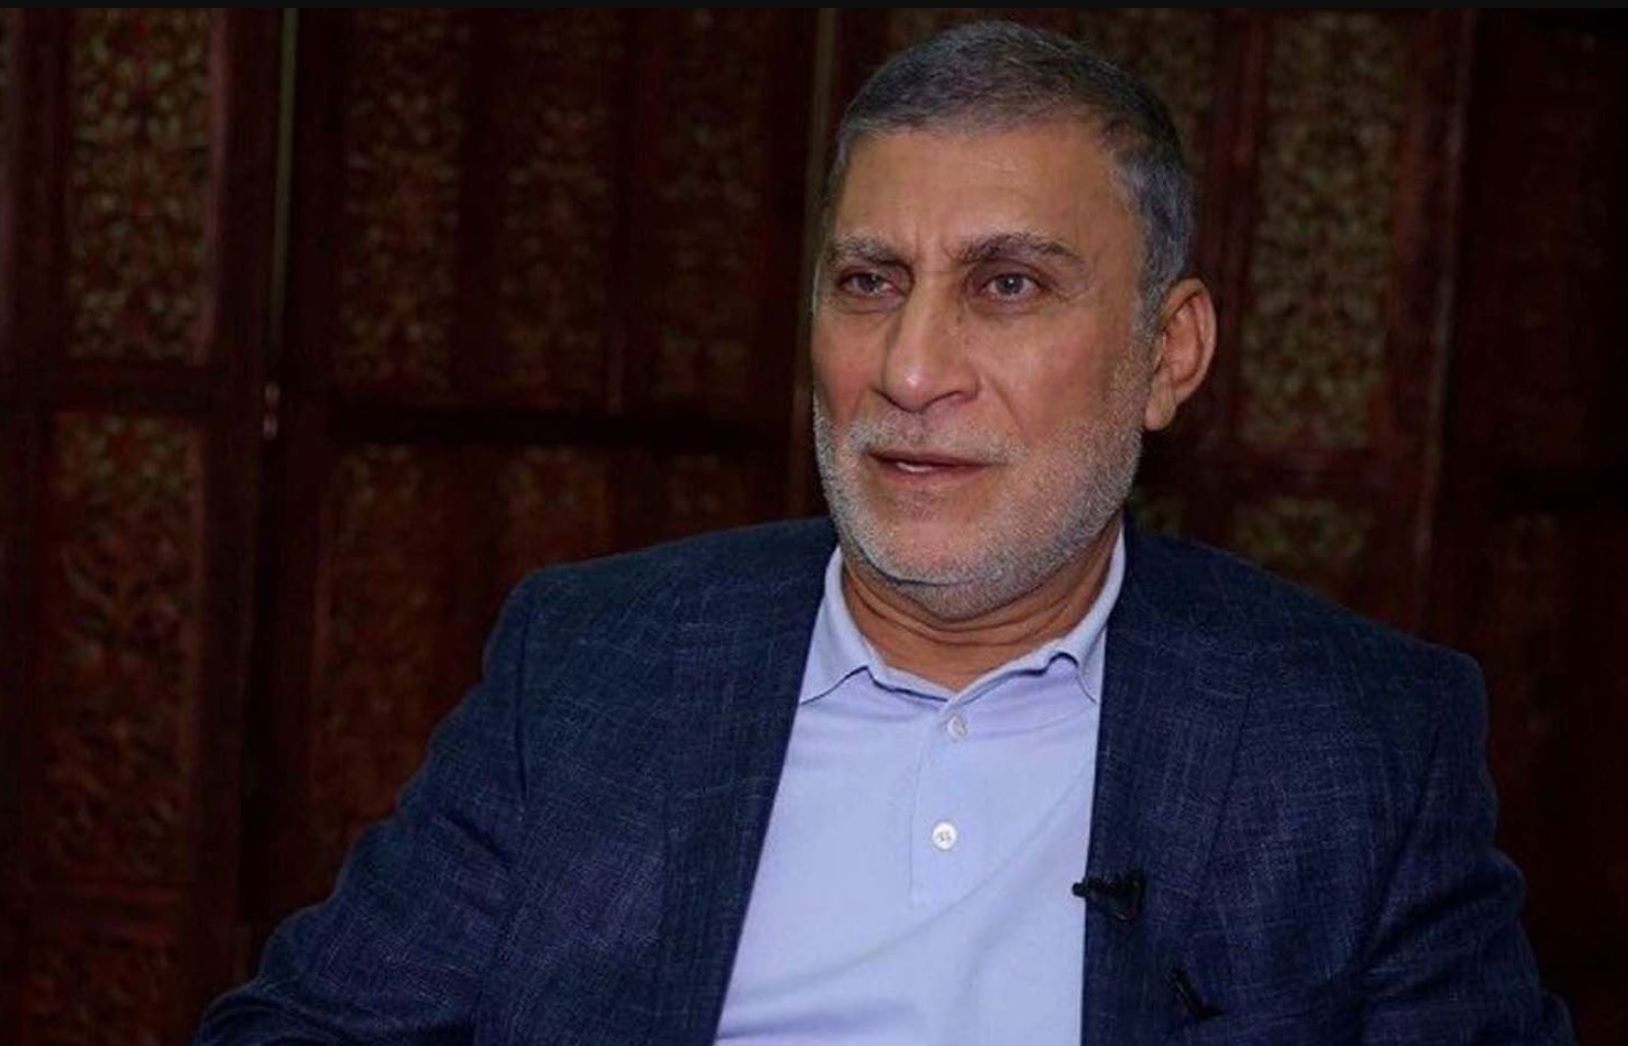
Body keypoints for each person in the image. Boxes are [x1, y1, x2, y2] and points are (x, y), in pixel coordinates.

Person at [195, 20, 1574, 1045]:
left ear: (1170, 351)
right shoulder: (592, 663)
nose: (910, 370)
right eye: (869, 281)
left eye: (1007, 284)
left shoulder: (1353, 742)